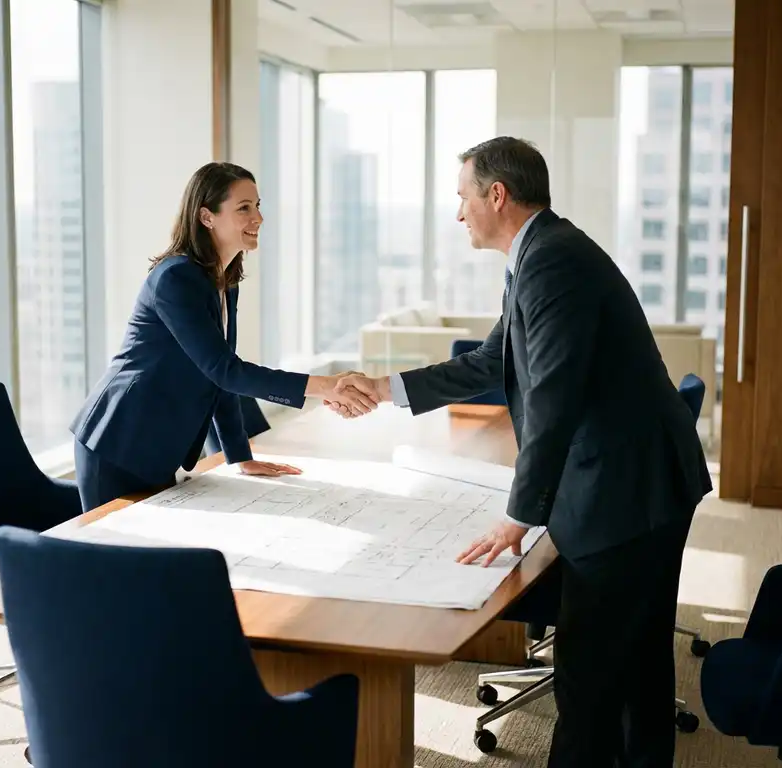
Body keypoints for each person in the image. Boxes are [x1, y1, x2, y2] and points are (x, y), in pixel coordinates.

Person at [332, 137, 712, 767]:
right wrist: (385, 387)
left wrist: (520, 514)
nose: (458, 214)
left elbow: (555, 400)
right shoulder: (539, 254)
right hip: (640, 477)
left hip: (626, 490)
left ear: (497, 195)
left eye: (462, 197)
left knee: (593, 682)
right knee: (634, 666)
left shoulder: (552, 263)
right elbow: (491, 361)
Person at [70, 161, 377, 513]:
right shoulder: (175, 278)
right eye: (244, 208)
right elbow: (224, 370)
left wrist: (240, 456)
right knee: (115, 555)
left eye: (257, 206)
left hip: (156, 445)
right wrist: (323, 387)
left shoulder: (222, 281)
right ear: (207, 217)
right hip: (118, 441)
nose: (257, 218)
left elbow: (219, 379)